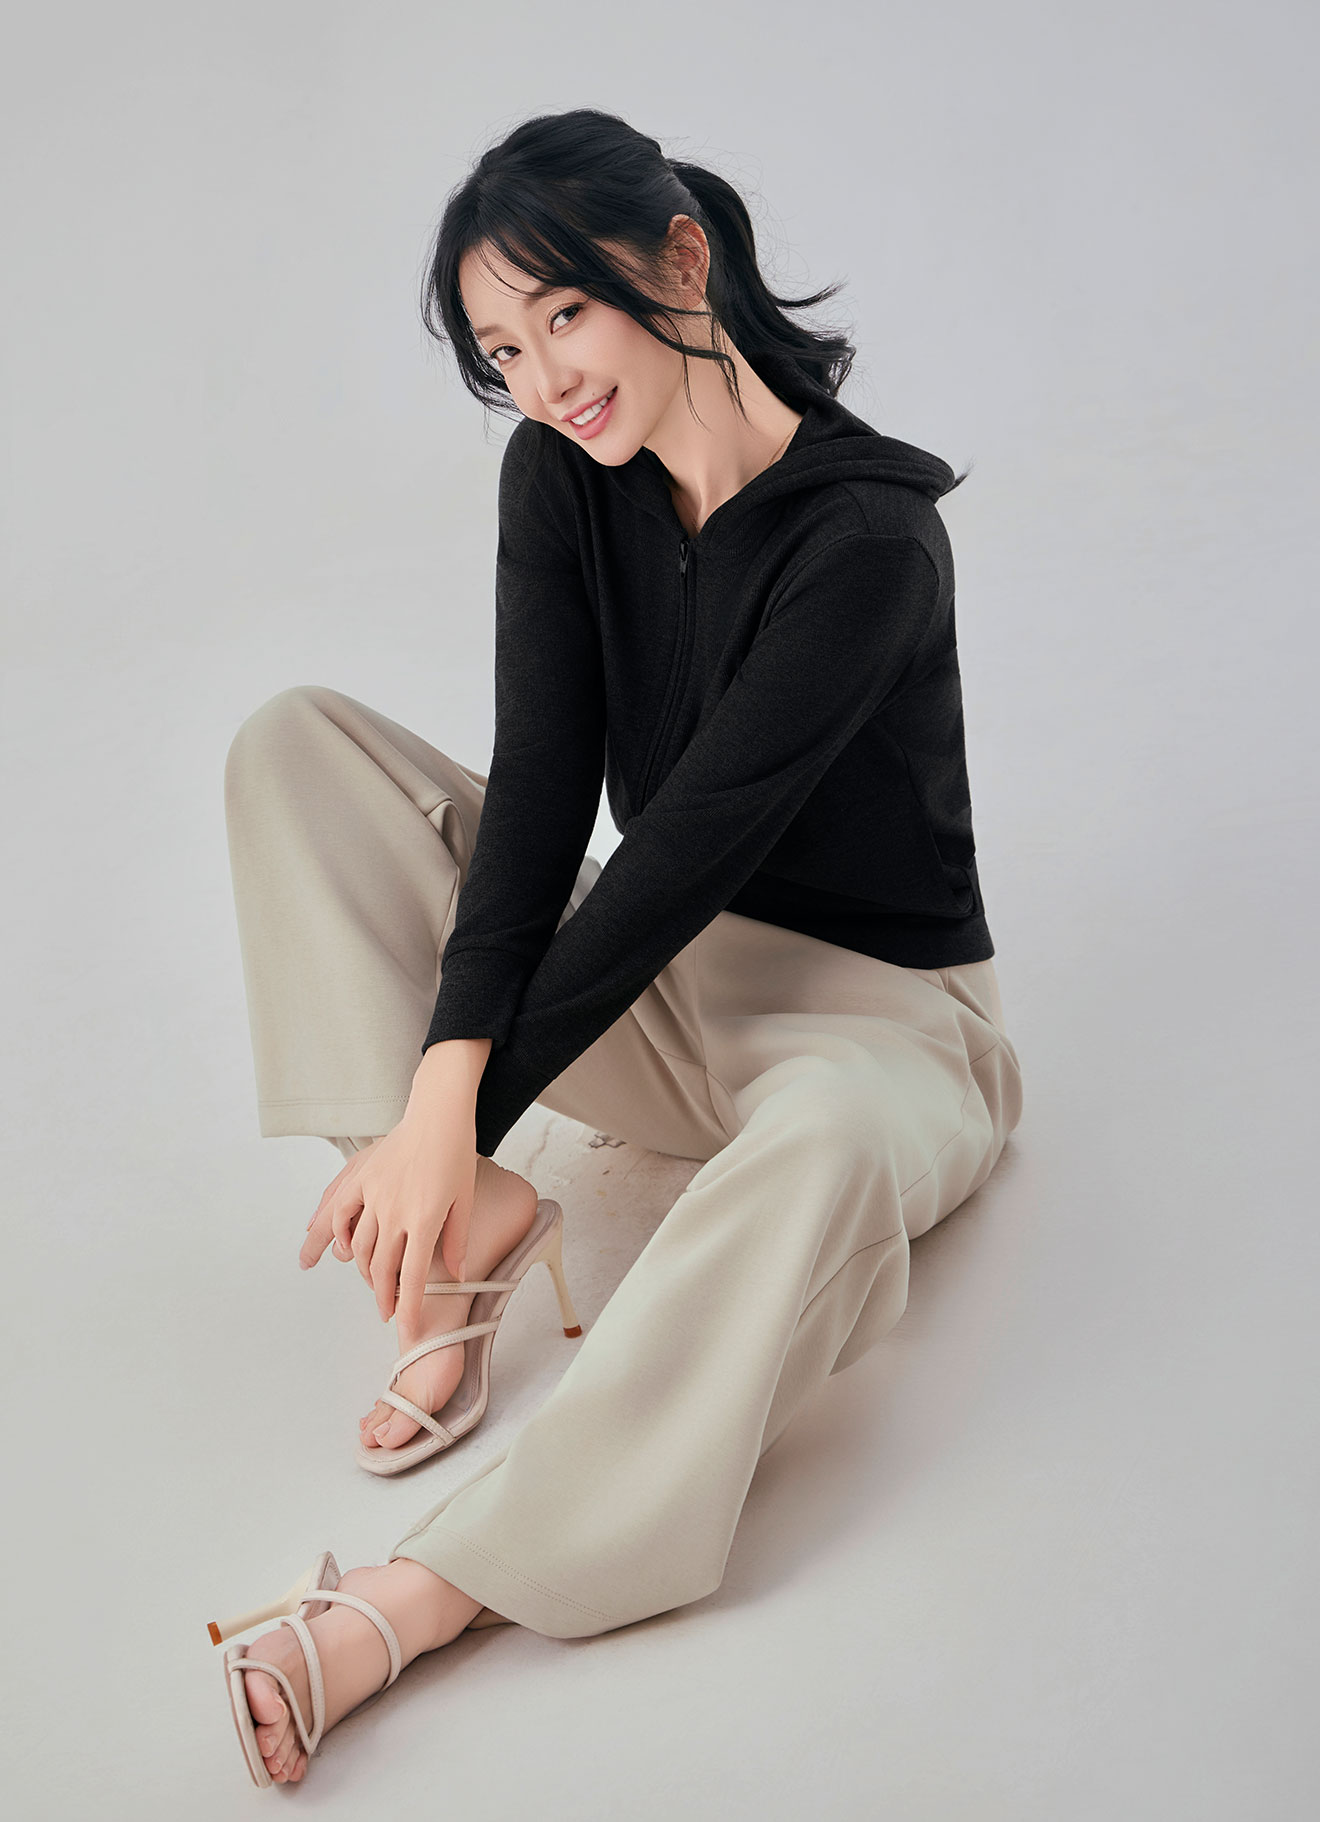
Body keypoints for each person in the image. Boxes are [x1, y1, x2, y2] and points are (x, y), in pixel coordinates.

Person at [215, 105, 1025, 1786]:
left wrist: (465, 1105)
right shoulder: (564, 476)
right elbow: (541, 798)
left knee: (820, 1139)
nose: (544, 381)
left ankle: (427, 1590)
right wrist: (442, 1109)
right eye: (504, 352)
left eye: (563, 315)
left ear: (680, 258)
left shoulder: (869, 539)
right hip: (662, 986)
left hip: (877, 1030)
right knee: (298, 746)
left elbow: (674, 859)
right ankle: (458, 1239)